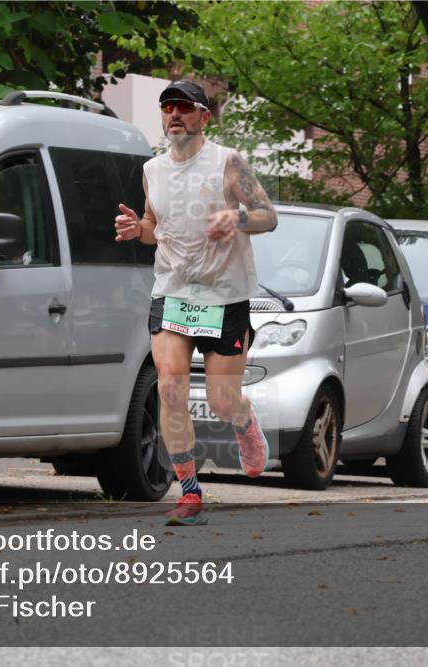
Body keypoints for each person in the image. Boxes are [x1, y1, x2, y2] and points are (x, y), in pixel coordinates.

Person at [114, 80, 278, 526]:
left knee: (224, 400)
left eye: (184, 107)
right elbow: (154, 225)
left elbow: (268, 216)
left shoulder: (228, 163)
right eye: (168, 107)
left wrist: (237, 216)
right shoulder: (152, 170)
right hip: (173, 291)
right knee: (169, 384)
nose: (174, 114)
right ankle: (189, 493)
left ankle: (243, 423)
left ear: (204, 116)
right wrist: (137, 231)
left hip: (224, 295)